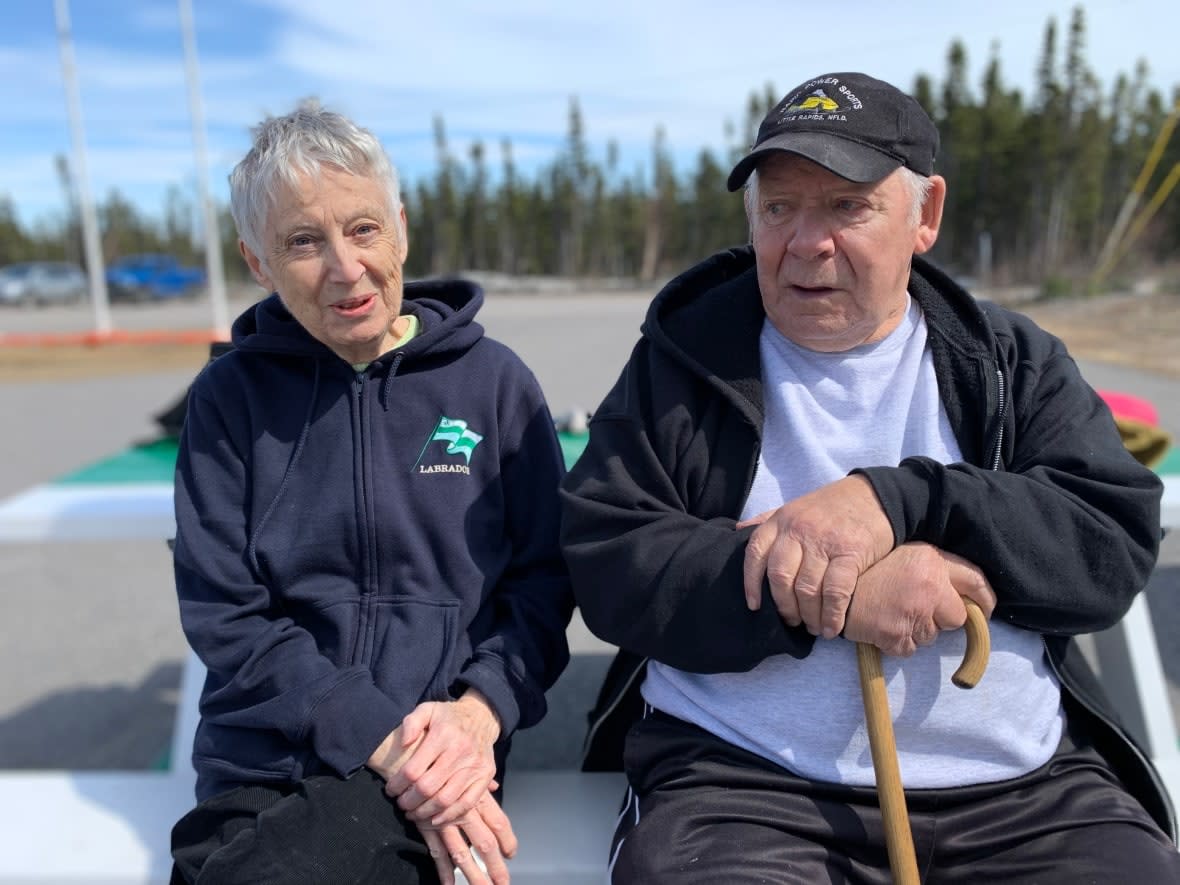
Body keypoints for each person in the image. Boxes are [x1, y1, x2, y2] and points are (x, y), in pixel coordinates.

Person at [560, 71, 1179, 883]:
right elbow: (611, 559)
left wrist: (902, 502)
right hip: (745, 787)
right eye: (780, 207)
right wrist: (839, 592)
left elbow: (1111, 535)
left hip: (1023, 791)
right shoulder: (685, 360)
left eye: (846, 206)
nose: (805, 241)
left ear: (925, 216)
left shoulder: (1008, 361)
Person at [169, 101, 574, 885]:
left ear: (401, 229)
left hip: (442, 748)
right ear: (259, 264)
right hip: (266, 756)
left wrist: (479, 711)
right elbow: (228, 616)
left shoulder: (493, 384)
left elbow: (546, 582)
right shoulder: (229, 399)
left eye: (362, 229)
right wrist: (382, 738)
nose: (345, 267)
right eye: (303, 242)